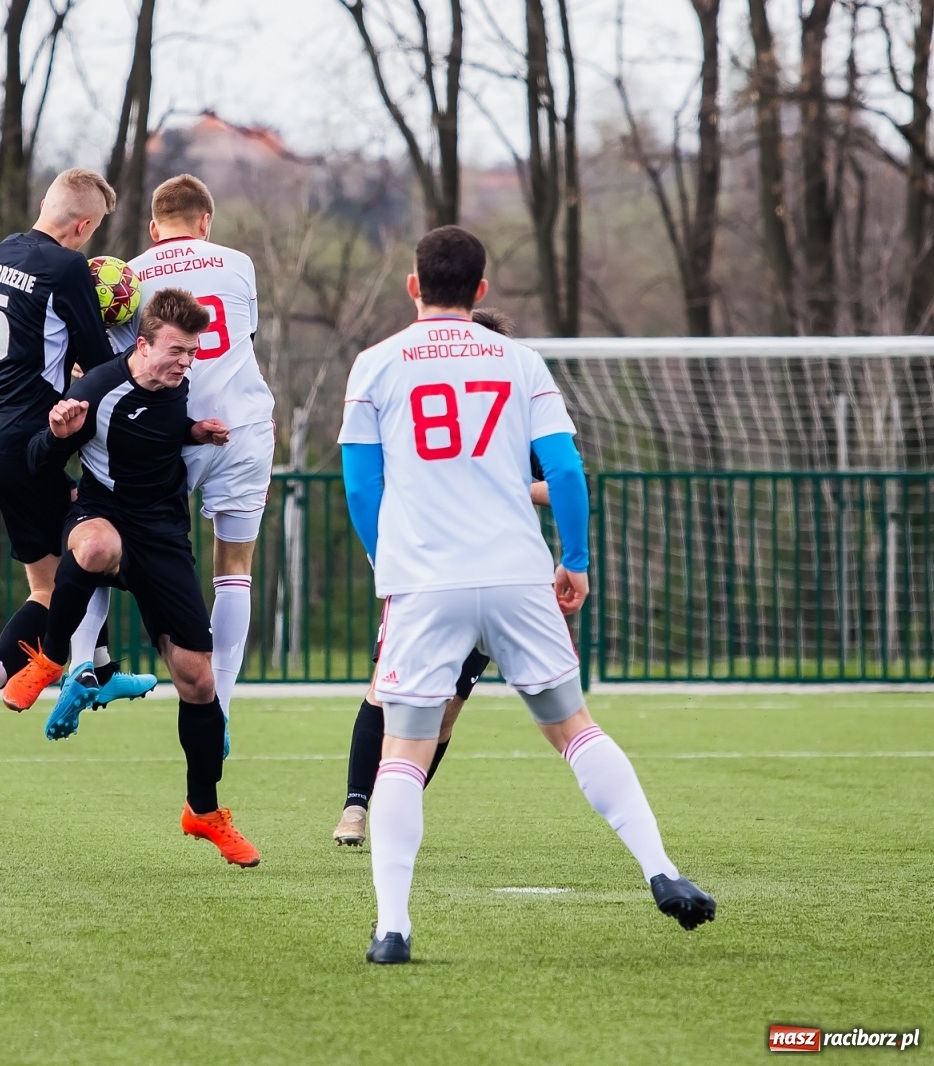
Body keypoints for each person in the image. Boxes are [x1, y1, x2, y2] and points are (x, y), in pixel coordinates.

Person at [338, 225, 714, 964]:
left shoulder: (376, 363)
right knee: (575, 729)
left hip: (425, 582)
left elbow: (360, 481)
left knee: (404, 754)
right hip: (516, 572)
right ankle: (661, 870)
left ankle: (392, 927)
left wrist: (392, 562)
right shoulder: (518, 358)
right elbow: (566, 471)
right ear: (481, 292)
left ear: (413, 286)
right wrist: (573, 558)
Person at [3, 288, 261, 868]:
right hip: (103, 514)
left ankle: (203, 811)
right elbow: (36, 461)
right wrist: (59, 430)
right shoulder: (96, 386)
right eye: (176, 351)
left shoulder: (176, 385)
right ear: (141, 346)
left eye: (192, 353)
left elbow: (160, 428)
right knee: (93, 548)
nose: (185, 363)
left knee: (198, 682)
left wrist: (196, 433)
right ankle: (49, 659)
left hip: (164, 536)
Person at [43, 174, 272, 757]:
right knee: (233, 572)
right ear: (206, 223)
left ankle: (83, 662)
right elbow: (242, 334)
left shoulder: (131, 273)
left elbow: (117, 357)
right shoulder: (239, 263)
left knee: (103, 524)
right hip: (240, 428)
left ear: (152, 227)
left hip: (159, 426)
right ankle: (219, 704)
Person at [0, 168, 155, 771]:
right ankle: (87, 672)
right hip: (25, 444)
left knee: (49, 582)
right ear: (85, 226)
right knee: (99, 529)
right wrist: (141, 345)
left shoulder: (6, 249)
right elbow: (95, 363)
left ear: (47, 205)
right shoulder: (67, 269)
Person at [332, 308, 531, 847]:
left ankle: (398, 807)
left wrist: (511, 486)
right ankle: (355, 807)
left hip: (491, 573)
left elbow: (551, 478)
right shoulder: (416, 406)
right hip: (424, 571)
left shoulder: (510, 409)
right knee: (385, 691)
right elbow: (373, 478)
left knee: (447, 710)